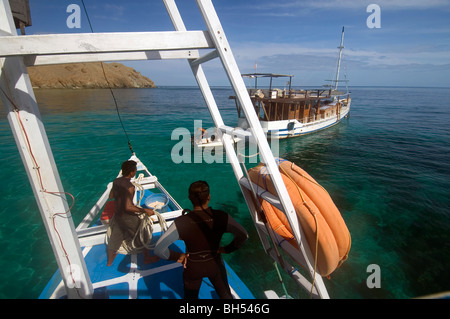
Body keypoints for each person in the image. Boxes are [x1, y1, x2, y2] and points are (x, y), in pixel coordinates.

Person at [154, 181, 248, 299]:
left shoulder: (181, 223)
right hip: (215, 263)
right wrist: (226, 249)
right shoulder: (222, 216)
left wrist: (179, 256)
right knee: (225, 295)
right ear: (209, 197)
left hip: (193, 266)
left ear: (189, 198)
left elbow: (158, 249)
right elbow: (243, 235)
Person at [107, 160, 158, 266]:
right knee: (141, 234)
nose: (135, 172)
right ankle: (147, 257)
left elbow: (111, 196)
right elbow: (128, 207)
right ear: (131, 172)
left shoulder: (116, 181)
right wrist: (146, 210)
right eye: (135, 170)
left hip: (118, 215)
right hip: (127, 217)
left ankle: (109, 261)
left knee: (115, 236)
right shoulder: (130, 187)